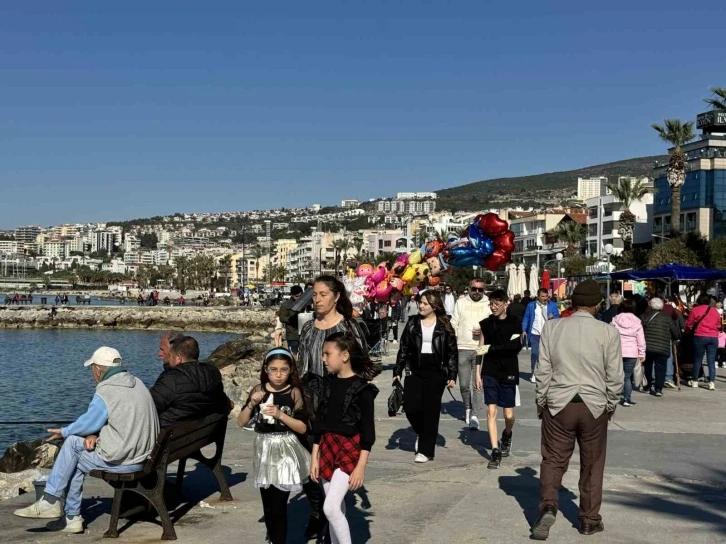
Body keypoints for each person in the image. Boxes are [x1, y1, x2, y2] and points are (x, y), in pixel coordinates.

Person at [14, 347, 159, 534]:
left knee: (73, 443)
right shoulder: (138, 383)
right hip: (144, 457)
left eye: (92, 368)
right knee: (75, 458)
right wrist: (95, 435)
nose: (92, 373)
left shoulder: (106, 389)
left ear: (98, 369)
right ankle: (71, 518)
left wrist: (64, 431)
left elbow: (89, 422)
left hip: (124, 461)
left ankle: (50, 501)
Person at [531, 280, 623, 540]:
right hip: (593, 406)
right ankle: (589, 520)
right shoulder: (608, 332)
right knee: (592, 464)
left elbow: (543, 371)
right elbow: (615, 376)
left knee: (553, 459)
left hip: (559, 404)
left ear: (572, 302)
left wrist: (542, 402)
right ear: (597, 305)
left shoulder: (552, 328)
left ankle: (549, 504)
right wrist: (610, 404)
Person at [297, 275, 366, 542]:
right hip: (311, 406)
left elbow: (359, 368)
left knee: (330, 467)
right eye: (314, 294)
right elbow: (302, 366)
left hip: (338, 408)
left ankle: (327, 521)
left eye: (323, 294)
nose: (317, 300)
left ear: (337, 297)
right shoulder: (307, 329)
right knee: (311, 466)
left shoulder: (350, 328)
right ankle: (319, 514)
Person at [311, 332, 380, 544]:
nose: (323, 359)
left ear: (344, 355)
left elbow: (368, 432)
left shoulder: (363, 389)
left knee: (330, 508)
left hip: (350, 448)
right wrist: (314, 456)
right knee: (336, 508)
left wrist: (361, 466)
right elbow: (319, 424)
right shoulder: (326, 384)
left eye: (327, 354)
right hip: (326, 446)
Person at [237, 348, 310, 544]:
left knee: (278, 506)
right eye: (274, 369)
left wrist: (280, 415)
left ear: (290, 370)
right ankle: (272, 536)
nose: (278, 375)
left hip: (285, 448)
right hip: (264, 450)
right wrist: (251, 404)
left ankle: (279, 540)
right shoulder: (258, 390)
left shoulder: (293, 392)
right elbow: (241, 422)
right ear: (266, 370)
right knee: (268, 505)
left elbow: (302, 427)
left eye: (283, 370)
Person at [393, 290, 458, 463]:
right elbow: (404, 347)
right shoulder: (413, 322)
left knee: (431, 410)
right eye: (420, 302)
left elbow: (452, 352)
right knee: (411, 406)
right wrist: (397, 371)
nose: (420, 306)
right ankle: (424, 434)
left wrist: (452, 374)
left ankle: (425, 450)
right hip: (415, 369)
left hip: (436, 370)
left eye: (424, 303)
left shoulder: (445, 324)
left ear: (434, 306)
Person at [475, 289, 521, 469]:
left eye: (497, 304)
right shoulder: (485, 324)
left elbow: (515, 347)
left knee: (508, 414)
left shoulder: (515, 322)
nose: (493, 307)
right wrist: (477, 372)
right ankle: (495, 450)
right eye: (491, 304)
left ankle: (507, 434)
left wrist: (492, 348)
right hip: (490, 371)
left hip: (509, 370)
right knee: (491, 411)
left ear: (505, 304)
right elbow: (480, 349)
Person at [150, 335, 232, 428]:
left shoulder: (171, 379)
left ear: (178, 358)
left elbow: (149, 408)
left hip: (169, 437)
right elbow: (224, 403)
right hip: (200, 434)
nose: (168, 361)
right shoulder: (213, 373)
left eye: (171, 356)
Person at [450, 278, 491, 430]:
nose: (477, 292)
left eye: (480, 289)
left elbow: (494, 323)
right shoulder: (460, 302)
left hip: (481, 348)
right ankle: (467, 408)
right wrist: (452, 342)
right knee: (465, 384)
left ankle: (474, 415)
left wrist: (484, 331)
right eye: (474, 289)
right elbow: (454, 323)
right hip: (462, 346)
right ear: (469, 288)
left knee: (478, 384)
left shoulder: (488, 303)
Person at [641, 298, 681, 396]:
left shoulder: (643, 316)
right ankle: (658, 388)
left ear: (650, 306)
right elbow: (676, 333)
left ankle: (648, 385)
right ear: (662, 306)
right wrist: (676, 337)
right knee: (661, 368)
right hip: (663, 347)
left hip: (648, 346)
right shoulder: (667, 318)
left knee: (648, 367)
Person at [522, 288, 560, 383]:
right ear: (538, 297)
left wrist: (553, 317)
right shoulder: (531, 306)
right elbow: (526, 317)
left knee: (547, 356)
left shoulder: (552, 305)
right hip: (535, 334)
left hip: (547, 334)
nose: (545, 298)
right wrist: (523, 330)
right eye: (542, 296)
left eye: (546, 296)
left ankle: (545, 374)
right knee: (535, 354)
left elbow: (557, 317)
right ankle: (533, 373)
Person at [611, 300, 645, 407]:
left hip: (617, 351)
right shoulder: (637, 321)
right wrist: (642, 353)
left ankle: (613, 396)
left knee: (616, 375)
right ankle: (627, 398)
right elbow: (641, 339)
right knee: (627, 377)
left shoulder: (615, 319)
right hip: (631, 352)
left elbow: (610, 335)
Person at [685, 294, 721, 390]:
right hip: (713, 337)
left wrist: (688, 330)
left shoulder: (695, 310)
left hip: (700, 336)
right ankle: (711, 382)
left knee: (697, 359)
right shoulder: (715, 311)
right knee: (711, 360)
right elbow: (718, 325)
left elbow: (689, 324)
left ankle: (695, 381)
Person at [278, 285, 304, 355]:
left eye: (300, 296)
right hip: (292, 335)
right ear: (292, 295)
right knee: (293, 355)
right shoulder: (286, 305)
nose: (298, 298)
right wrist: (292, 319)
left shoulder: (305, 304)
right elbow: (282, 318)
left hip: (304, 334)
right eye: (296, 296)